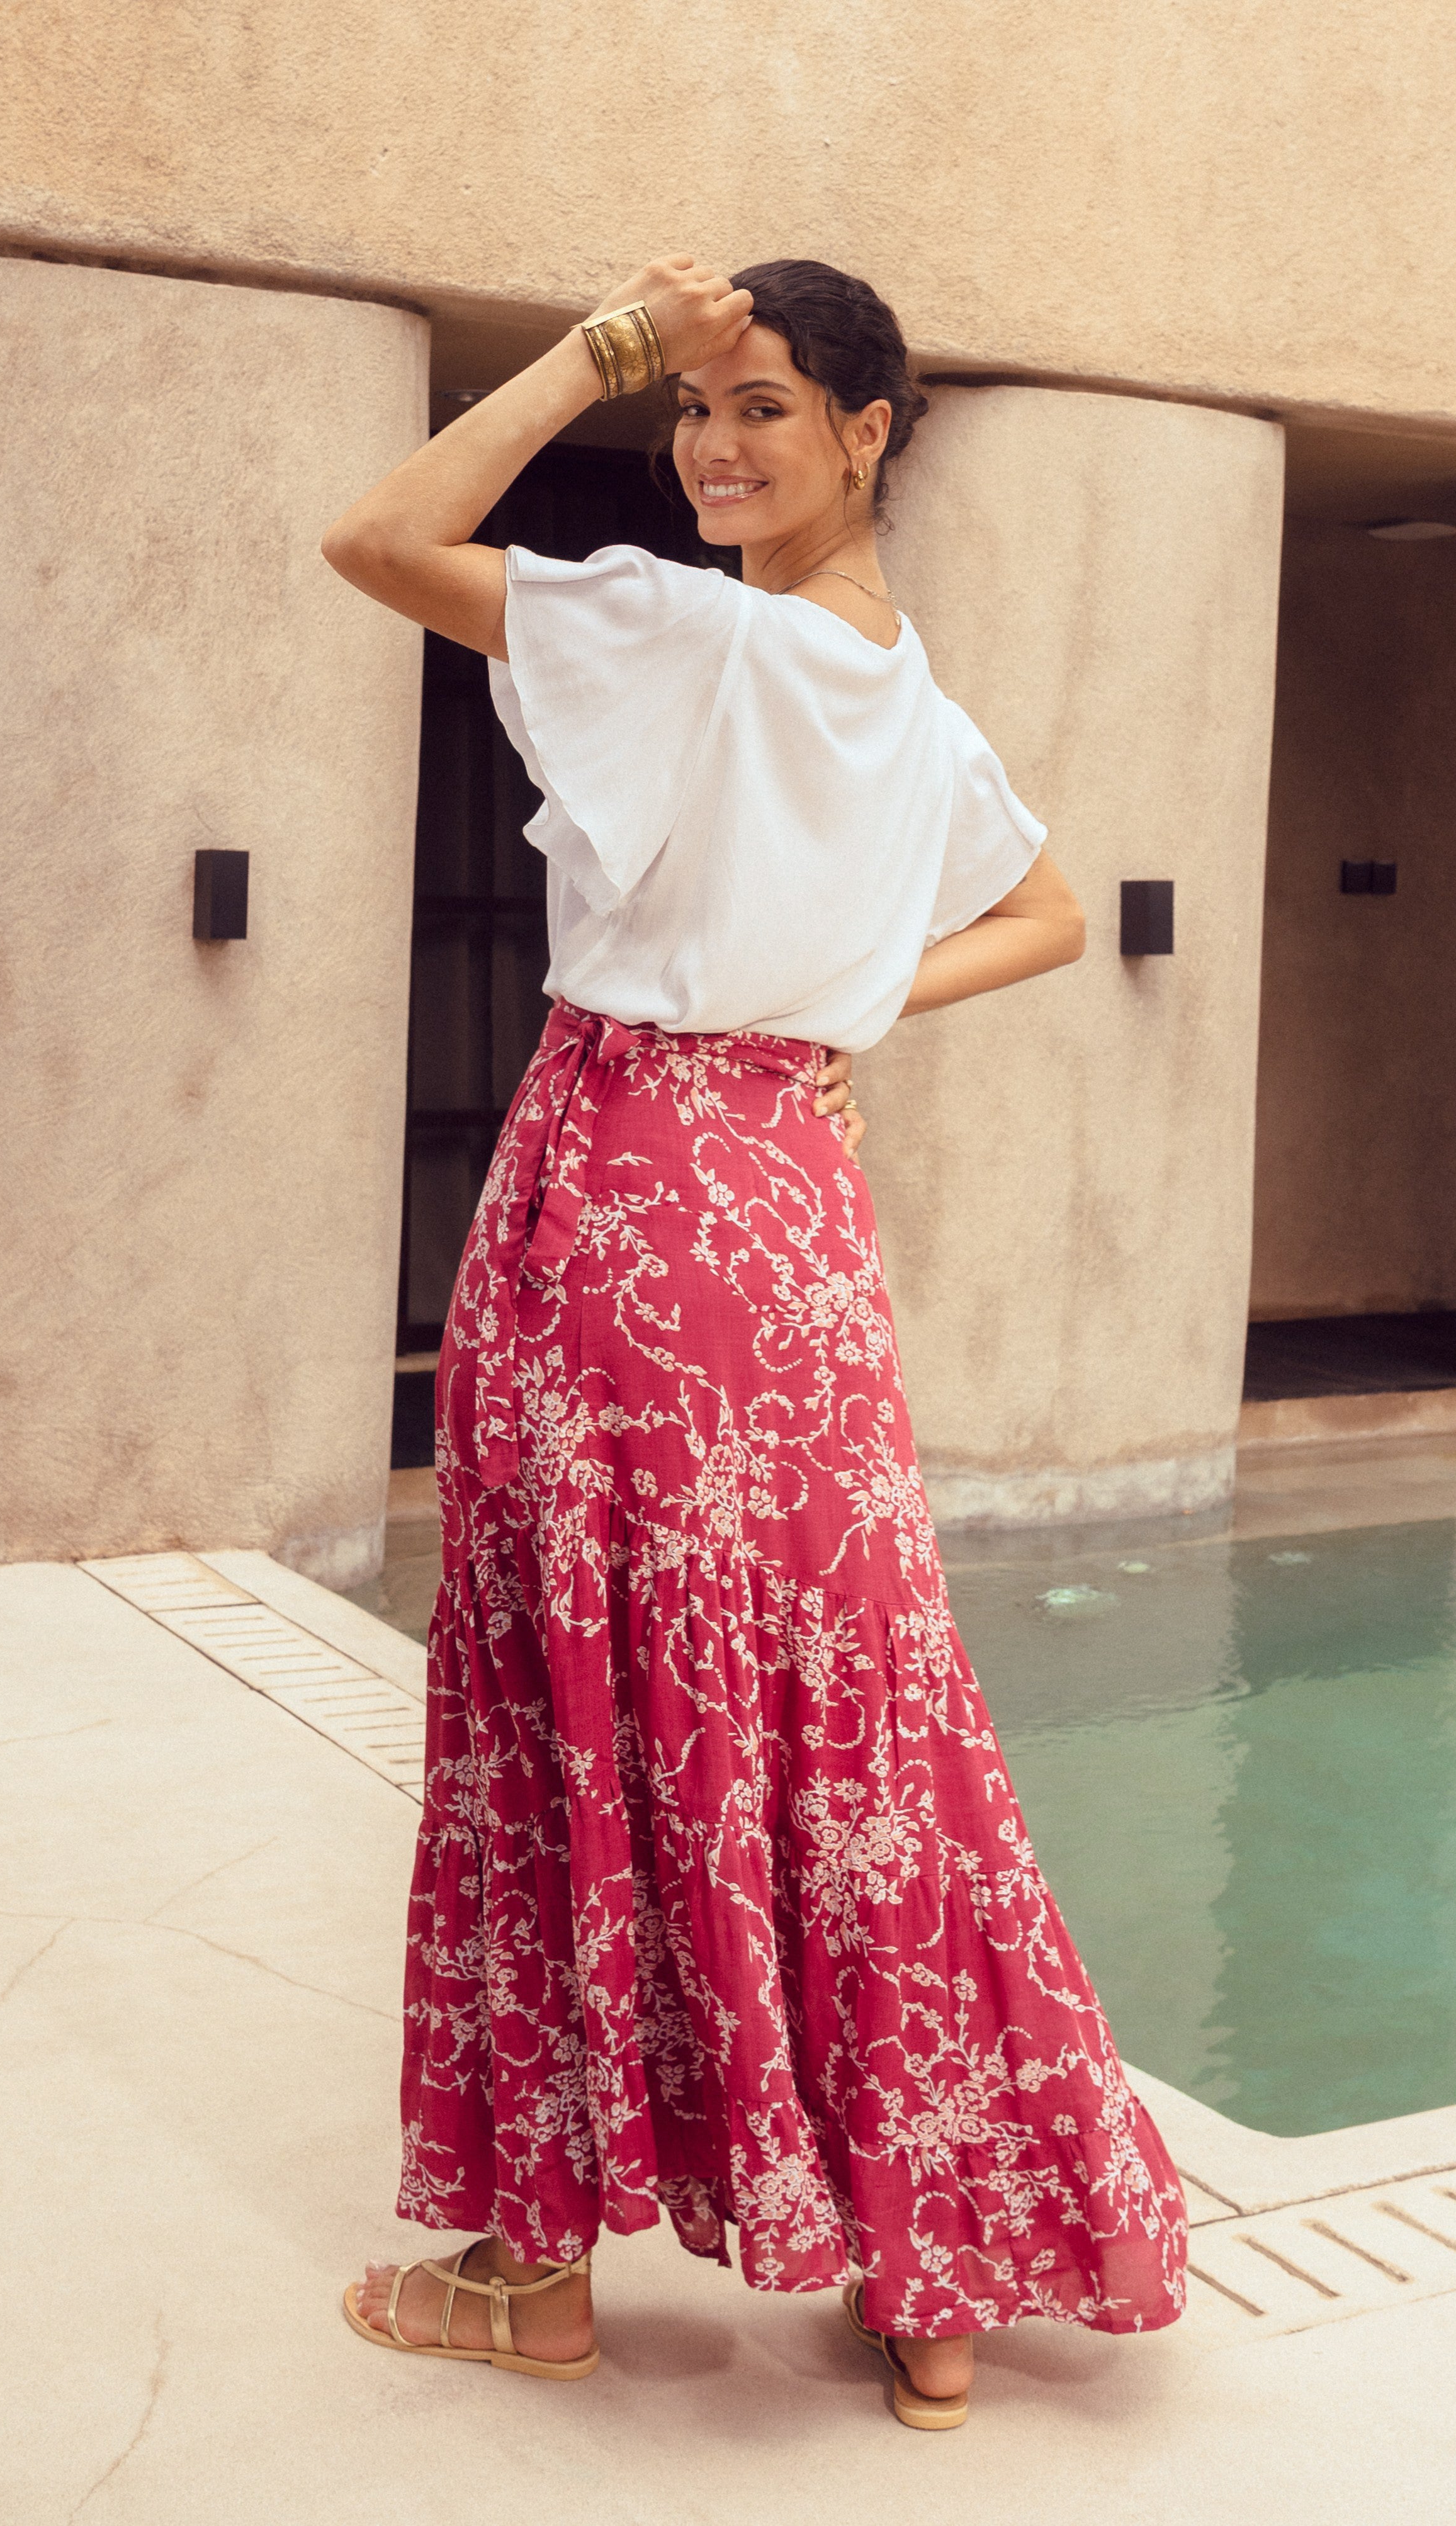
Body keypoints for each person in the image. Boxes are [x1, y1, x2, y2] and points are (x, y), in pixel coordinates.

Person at [323, 254, 1187, 2431]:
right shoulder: (909, 693)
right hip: (789, 1231)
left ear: (874, 430)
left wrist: (590, 350)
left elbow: (377, 539)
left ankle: (532, 2270)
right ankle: (926, 2268)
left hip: (618, 1194)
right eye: (690, 407)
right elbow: (1049, 913)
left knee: (574, 1691)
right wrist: (841, 1014)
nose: (711, 446)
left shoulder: (696, 635)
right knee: (847, 1712)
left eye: (765, 406)